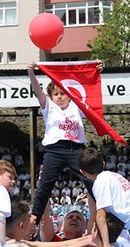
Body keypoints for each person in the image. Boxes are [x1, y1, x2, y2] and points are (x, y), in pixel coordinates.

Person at [26, 61, 99, 226]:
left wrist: (97, 72)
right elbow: (38, 91)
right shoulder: (49, 107)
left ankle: (104, 213)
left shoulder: (76, 107)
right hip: (54, 150)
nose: (59, 97)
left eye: (62, 93)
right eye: (56, 94)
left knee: (90, 181)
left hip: (76, 150)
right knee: (45, 184)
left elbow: (90, 89)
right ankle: (34, 219)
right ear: (51, 97)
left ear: (68, 95)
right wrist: (31, 73)